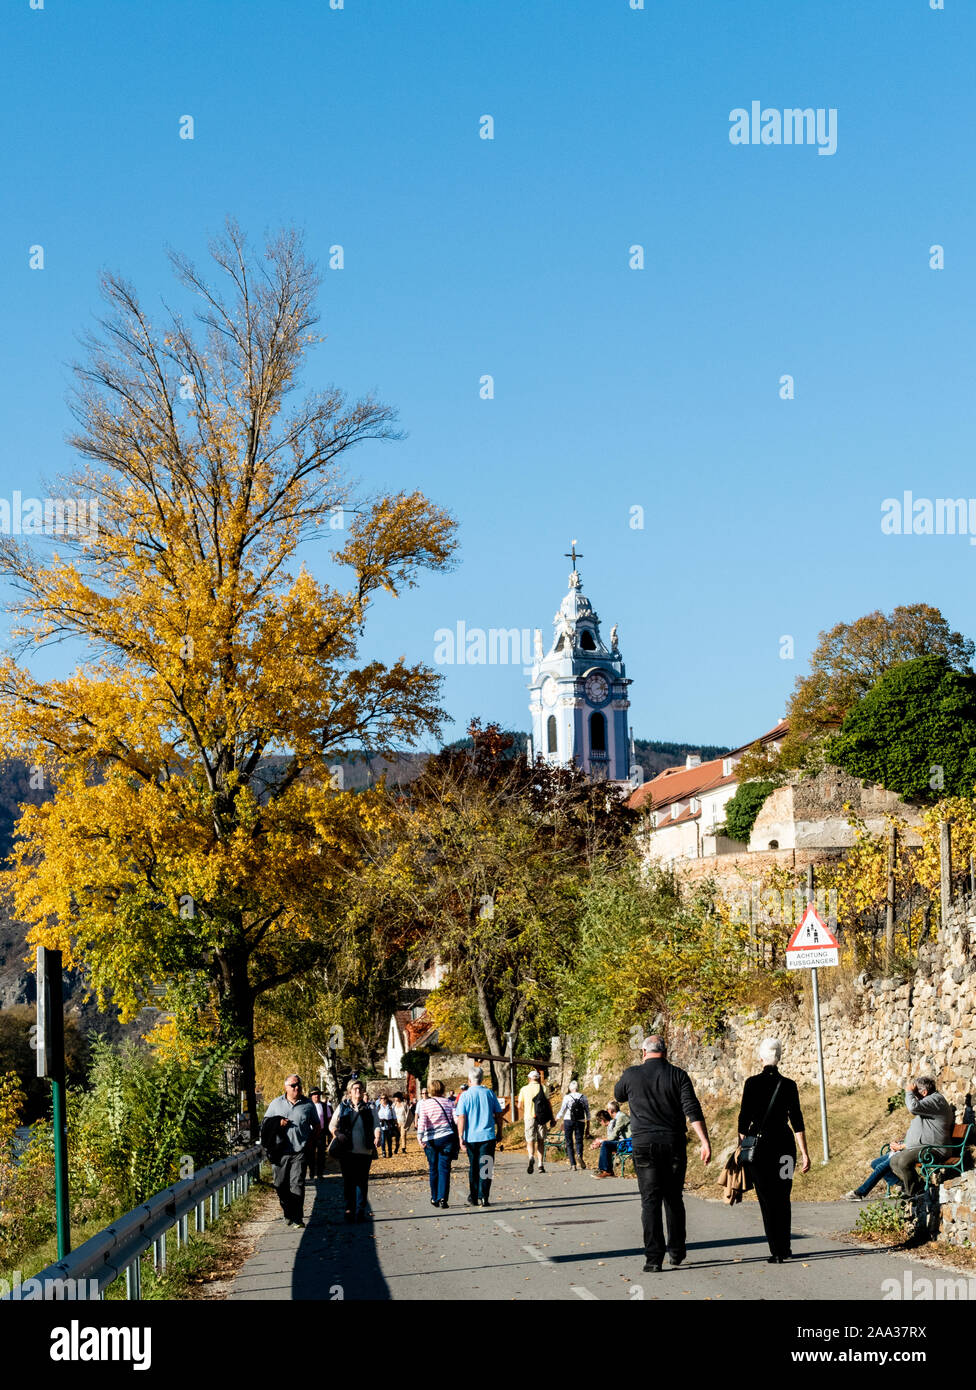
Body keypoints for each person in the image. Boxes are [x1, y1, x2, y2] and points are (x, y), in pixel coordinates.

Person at [615, 1035, 711, 1273]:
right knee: (674, 1198)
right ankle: (676, 1252)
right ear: (665, 1052)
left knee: (650, 1200)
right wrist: (704, 1141)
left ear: (644, 1052)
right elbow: (691, 1108)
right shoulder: (678, 1075)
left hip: (644, 1144)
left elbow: (619, 1095)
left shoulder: (631, 1074)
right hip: (673, 1143)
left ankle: (653, 1259)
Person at [737, 1038, 811, 1263]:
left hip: (759, 1149)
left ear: (761, 1059)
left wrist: (742, 1145)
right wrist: (805, 1152)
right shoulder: (789, 1085)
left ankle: (776, 1251)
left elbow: (743, 1120)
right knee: (783, 1196)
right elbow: (797, 1120)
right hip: (785, 1148)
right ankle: (785, 1246)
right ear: (779, 1059)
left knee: (766, 1199)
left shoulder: (751, 1083)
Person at [262, 1075, 321, 1229]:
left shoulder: (308, 1104)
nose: (297, 1088)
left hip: (299, 1151)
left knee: (297, 1184)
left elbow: (317, 1126)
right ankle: (287, 1212)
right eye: (294, 1085)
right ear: (286, 1087)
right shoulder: (276, 1103)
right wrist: (278, 1122)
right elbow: (265, 1125)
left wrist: (310, 1142)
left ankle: (297, 1217)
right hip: (280, 1152)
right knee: (280, 1184)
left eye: (299, 1085)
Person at [881, 1076, 953, 1198]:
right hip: (927, 1147)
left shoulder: (935, 1100)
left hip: (937, 1149)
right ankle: (918, 1188)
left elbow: (913, 1108)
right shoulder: (931, 1101)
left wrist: (909, 1092)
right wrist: (903, 1144)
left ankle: (913, 1192)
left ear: (924, 1092)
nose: (914, 1097)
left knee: (904, 1161)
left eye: (916, 1093)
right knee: (894, 1161)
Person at [330, 1079, 381, 1222]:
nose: (357, 1091)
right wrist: (338, 1134)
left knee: (362, 1181)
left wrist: (377, 1136)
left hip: (365, 1150)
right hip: (347, 1151)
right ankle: (349, 1209)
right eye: (354, 1089)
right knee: (349, 1182)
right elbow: (332, 1125)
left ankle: (360, 1210)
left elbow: (376, 1125)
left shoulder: (370, 1108)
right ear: (349, 1091)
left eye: (360, 1088)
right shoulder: (343, 1107)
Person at [455, 1066, 504, 1206]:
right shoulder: (489, 1093)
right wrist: (499, 1131)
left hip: (471, 1137)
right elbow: (499, 1114)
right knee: (486, 1166)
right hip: (488, 1136)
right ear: (481, 1079)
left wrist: (460, 1136)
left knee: (474, 1166)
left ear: (469, 1080)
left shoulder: (465, 1095)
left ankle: (474, 1195)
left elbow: (462, 1117)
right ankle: (484, 1196)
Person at [416, 1079, 456, 1208]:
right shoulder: (449, 1103)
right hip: (447, 1138)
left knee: (433, 1169)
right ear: (443, 1089)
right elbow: (455, 1119)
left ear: (430, 1090)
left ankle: (434, 1197)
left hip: (431, 1139)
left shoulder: (425, 1104)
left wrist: (419, 1137)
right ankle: (443, 1197)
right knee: (444, 1169)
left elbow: (422, 1122)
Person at [517, 1069, 553, 1174]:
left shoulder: (524, 1089)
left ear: (529, 1079)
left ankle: (531, 1156)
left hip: (529, 1117)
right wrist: (552, 1118)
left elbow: (519, 1106)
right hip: (541, 1118)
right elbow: (548, 1104)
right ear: (538, 1078)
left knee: (530, 1139)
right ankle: (540, 1165)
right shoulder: (544, 1088)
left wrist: (527, 1111)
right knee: (541, 1140)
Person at [556, 1080, 591, 1170]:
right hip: (581, 1121)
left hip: (568, 1120)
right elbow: (587, 1112)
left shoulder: (567, 1097)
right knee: (579, 1140)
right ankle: (579, 1155)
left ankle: (573, 1164)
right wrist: (588, 1124)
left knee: (569, 1141)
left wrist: (556, 1118)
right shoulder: (584, 1097)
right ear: (578, 1088)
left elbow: (562, 1110)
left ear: (570, 1088)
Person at [591, 1102, 630, 1176]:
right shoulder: (618, 1117)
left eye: (607, 1110)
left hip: (627, 1143)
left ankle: (606, 1170)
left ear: (611, 1111)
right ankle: (603, 1169)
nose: (607, 1111)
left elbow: (612, 1137)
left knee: (605, 1144)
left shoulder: (621, 1117)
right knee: (605, 1144)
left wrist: (600, 1141)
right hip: (625, 1142)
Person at [303, 1087, 331, 1181]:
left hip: (321, 1133)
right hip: (310, 1134)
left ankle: (320, 1173)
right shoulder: (307, 1106)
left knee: (321, 1154)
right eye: (314, 1095)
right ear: (311, 1096)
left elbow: (329, 1119)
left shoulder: (324, 1106)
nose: (316, 1096)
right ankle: (311, 1173)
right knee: (310, 1154)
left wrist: (329, 1132)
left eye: (318, 1094)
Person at [377, 1092, 398, 1158]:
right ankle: (383, 1151)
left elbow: (394, 1116)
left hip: (389, 1125)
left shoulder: (390, 1107)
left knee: (389, 1140)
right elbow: (376, 1117)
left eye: (384, 1098)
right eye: (381, 1098)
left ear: (387, 1099)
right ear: (380, 1100)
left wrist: (396, 1123)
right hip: (381, 1125)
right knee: (382, 1140)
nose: (383, 1099)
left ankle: (390, 1151)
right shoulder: (378, 1107)